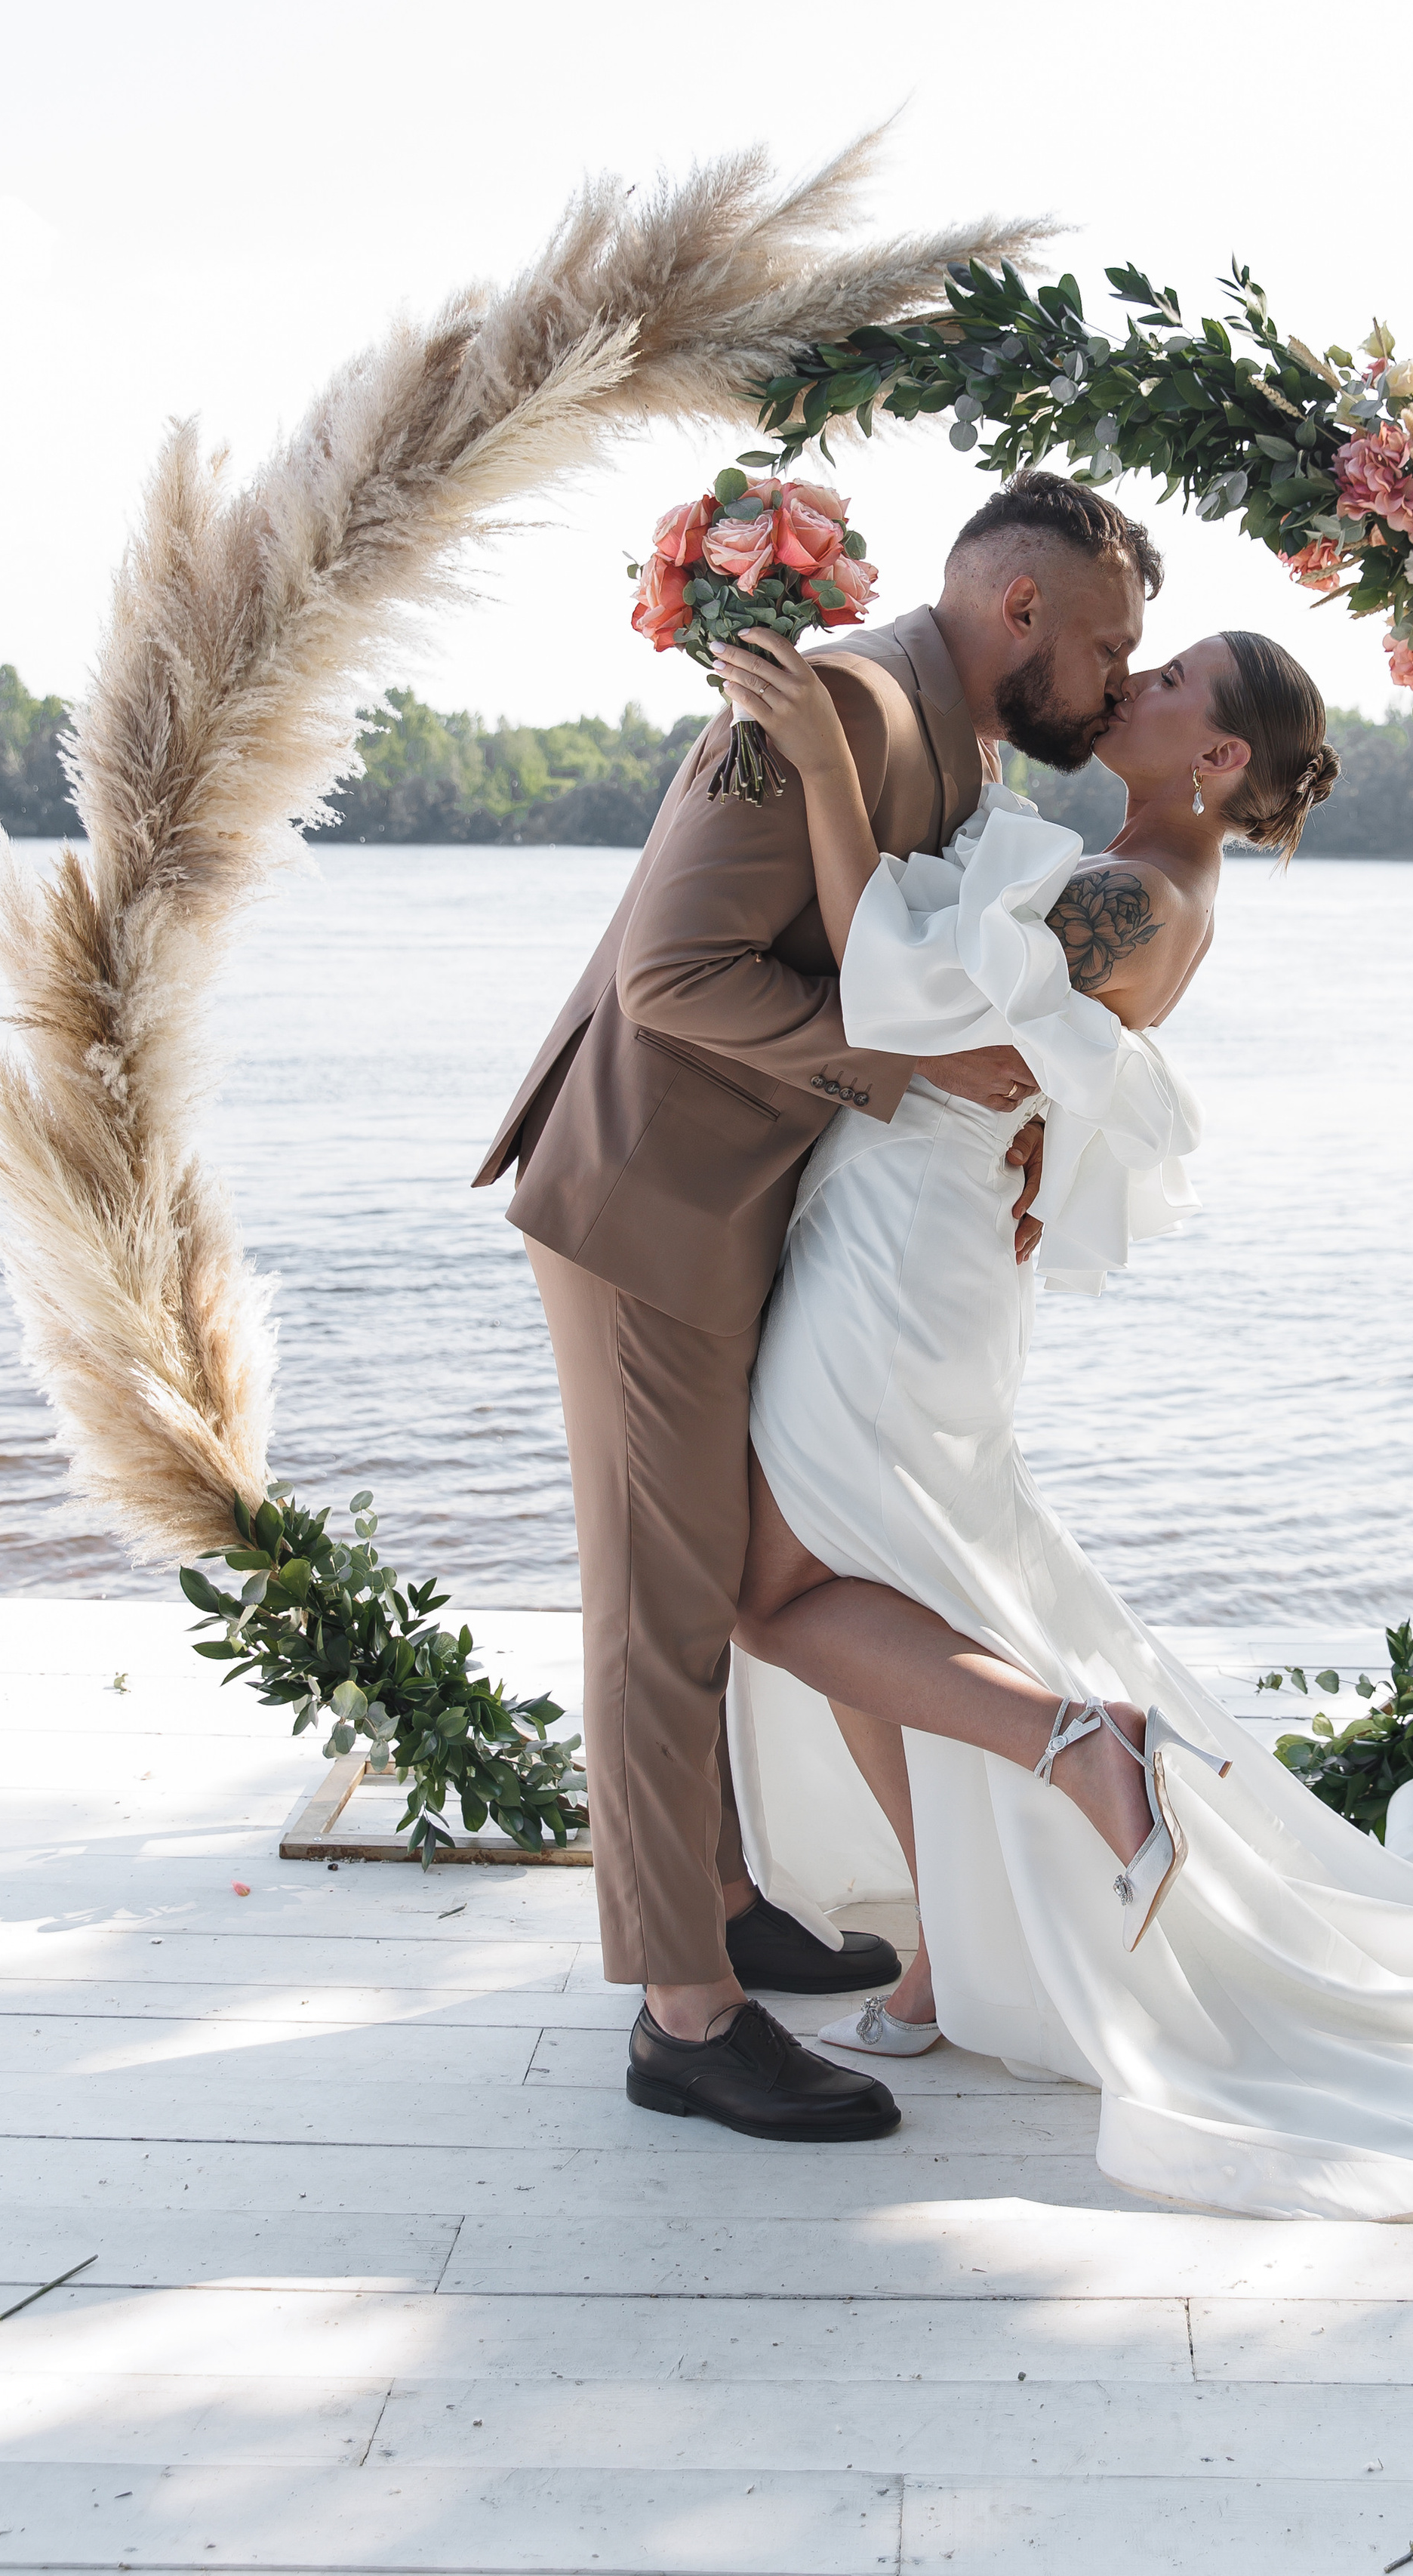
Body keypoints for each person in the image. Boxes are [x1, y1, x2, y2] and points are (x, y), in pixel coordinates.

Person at [716, 615, 1413, 2220]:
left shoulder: (1143, 897)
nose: (1135, 686)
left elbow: (886, 994)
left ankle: (1078, 1743)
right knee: (897, 1594)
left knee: (776, 1599)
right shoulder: (1120, 864)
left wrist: (826, 767)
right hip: (904, 1244)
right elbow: (1001, 1039)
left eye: (1166, 680)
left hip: (901, 1268)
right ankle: (935, 1957)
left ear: (1220, 756)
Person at [473, 470, 1160, 2142]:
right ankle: (683, 2014)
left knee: (720, 1571)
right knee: (659, 1599)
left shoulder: (945, 734)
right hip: (647, 1197)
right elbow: (671, 975)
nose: (1115, 683)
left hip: (749, 1205)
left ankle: (715, 1896)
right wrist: (906, 1075)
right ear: (1022, 612)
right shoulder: (825, 706)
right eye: (1107, 644)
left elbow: (908, 949)